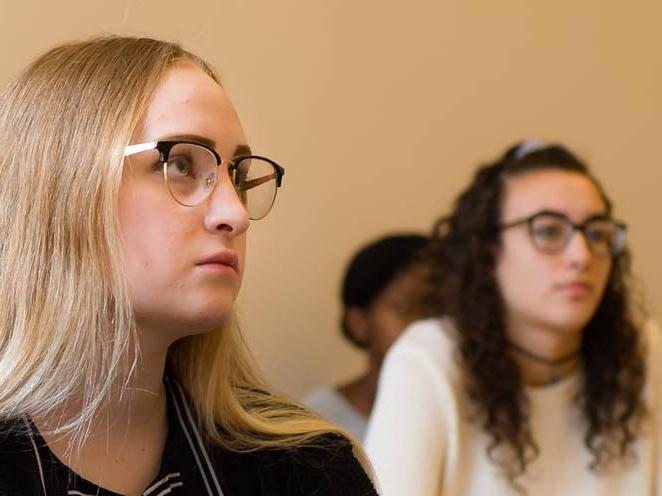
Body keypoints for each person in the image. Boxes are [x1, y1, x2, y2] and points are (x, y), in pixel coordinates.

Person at [0, 36, 377, 496]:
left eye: (237, 176)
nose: (235, 215)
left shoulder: (306, 471)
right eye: (180, 163)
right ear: (61, 188)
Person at [364, 140, 661, 495]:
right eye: (549, 230)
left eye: (597, 232)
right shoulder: (428, 360)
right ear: (487, 251)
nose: (581, 256)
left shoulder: (644, 352)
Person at [304, 234, 427, 441]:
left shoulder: (473, 415)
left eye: (440, 308)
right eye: (405, 308)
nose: (425, 325)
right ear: (358, 322)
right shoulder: (313, 427)